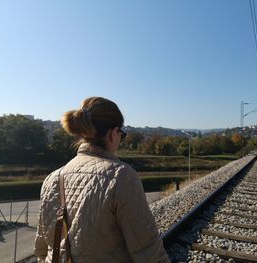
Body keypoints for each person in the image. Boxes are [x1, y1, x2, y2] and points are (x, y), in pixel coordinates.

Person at [34, 97, 170, 263]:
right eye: (122, 135)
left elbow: (42, 250)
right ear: (113, 134)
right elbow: (148, 252)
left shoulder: (51, 179)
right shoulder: (122, 177)